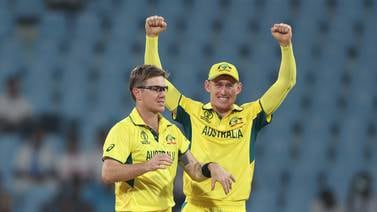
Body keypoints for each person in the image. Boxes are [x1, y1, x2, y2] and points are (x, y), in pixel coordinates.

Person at [144, 16, 296, 211]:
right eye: (218, 84)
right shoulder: (191, 111)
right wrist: (151, 39)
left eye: (229, 85)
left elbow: (286, 83)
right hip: (196, 205)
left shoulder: (252, 115)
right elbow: (156, 82)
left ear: (239, 88)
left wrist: (286, 46)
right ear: (208, 86)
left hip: (233, 206)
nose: (223, 91)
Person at [101, 65, 235, 212]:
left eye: (164, 89)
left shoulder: (172, 131)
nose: (163, 94)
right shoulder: (123, 130)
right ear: (138, 93)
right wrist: (147, 166)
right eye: (156, 89)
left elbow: (195, 170)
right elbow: (108, 173)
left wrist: (211, 167)